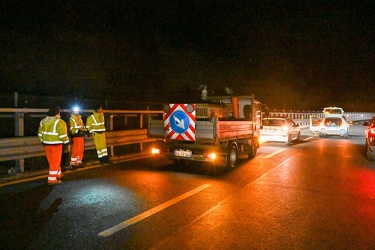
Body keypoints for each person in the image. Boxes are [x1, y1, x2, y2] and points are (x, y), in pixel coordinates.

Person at [38, 106, 69, 185]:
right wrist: (67, 143)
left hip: (46, 144)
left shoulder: (43, 121)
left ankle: (58, 174)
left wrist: (43, 141)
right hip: (56, 144)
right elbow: (63, 135)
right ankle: (52, 179)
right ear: (58, 113)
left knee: (52, 161)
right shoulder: (60, 122)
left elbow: (40, 134)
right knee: (55, 162)